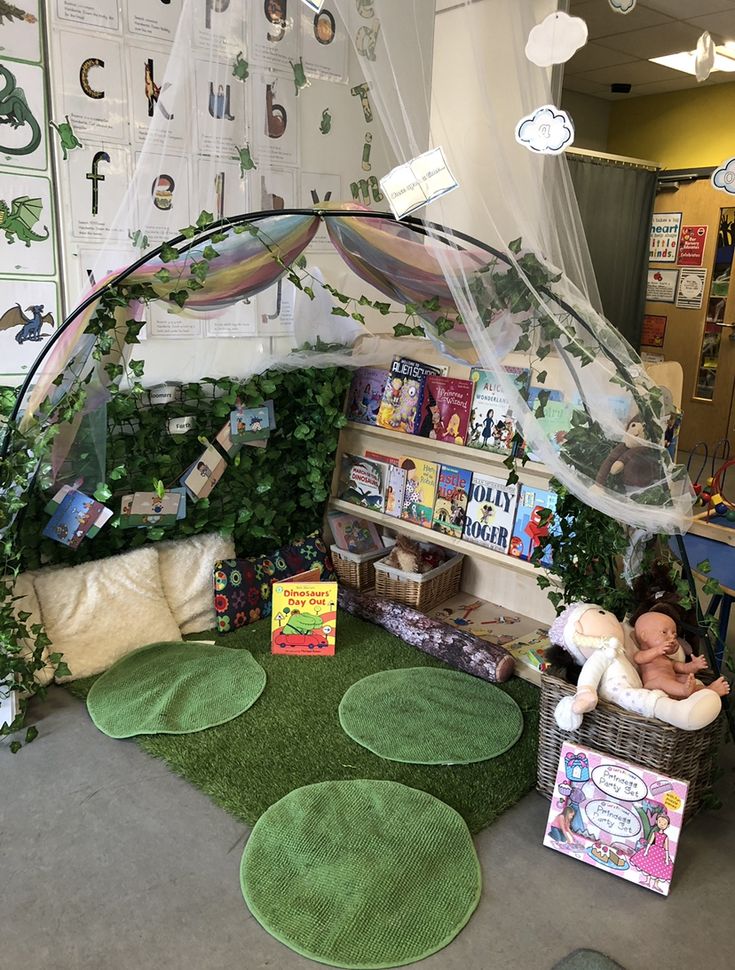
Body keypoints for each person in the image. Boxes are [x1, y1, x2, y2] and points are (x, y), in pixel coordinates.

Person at [633, 612, 730, 700]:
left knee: (685, 678)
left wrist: (694, 665)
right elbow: (638, 659)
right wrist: (657, 650)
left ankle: (708, 691)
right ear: (644, 636)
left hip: (673, 687)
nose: (672, 637)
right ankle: (685, 691)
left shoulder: (667, 660)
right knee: (661, 680)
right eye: (664, 632)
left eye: (674, 635)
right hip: (653, 688)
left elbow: (683, 668)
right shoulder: (643, 655)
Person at [629, 813, 674, 891]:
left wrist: (667, 859)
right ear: (656, 822)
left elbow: (667, 849)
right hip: (652, 850)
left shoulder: (665, 837)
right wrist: (646, 851)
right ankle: (647, 881)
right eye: (660, 822)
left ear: (668, 826)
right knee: (648, 865)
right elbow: (649, 843)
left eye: (664, 823)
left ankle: (656, 885)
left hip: (661, 852)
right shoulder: (655, 833)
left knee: (660, 868)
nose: (662, 824)